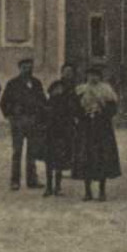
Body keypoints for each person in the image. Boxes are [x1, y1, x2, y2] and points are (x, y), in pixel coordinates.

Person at [72, 65, 121, 202]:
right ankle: (87, 191)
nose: (93, 78)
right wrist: (82, 113)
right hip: (86, 127)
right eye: (90, 75)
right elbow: (74, 108)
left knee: (102, 157)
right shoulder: (80, 90)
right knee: (86, 157)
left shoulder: (106, 90)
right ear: (86, 76)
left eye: (96, 75)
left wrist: (102, 109)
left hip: (102, 127)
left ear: (100, 77)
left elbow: (113, 110)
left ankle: (102, 191)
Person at [0, 58, 47, 191]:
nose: (28, 69)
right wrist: (11, 116)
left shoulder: (37, 83)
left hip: (33, 121)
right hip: (18, 122)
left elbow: (43, 101)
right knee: (17, 152)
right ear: (19, 68)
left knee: (32, 152)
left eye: (30, 67)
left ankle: (32, 180)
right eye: (25, 67)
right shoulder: (12, 84)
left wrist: (41, 118)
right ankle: (15, 181)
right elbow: (4, 102)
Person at [42, 67, 79, 197]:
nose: (68, 74)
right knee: (49, 156)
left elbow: (76, 107)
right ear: (62, 72)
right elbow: (47, 105)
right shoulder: (56, 85)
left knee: (61, 157)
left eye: (71, 72)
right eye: (66, 72)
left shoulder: (75, 88)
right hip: (52, 126)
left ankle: (57, 186)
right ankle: (48, 186)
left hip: (66, 127)